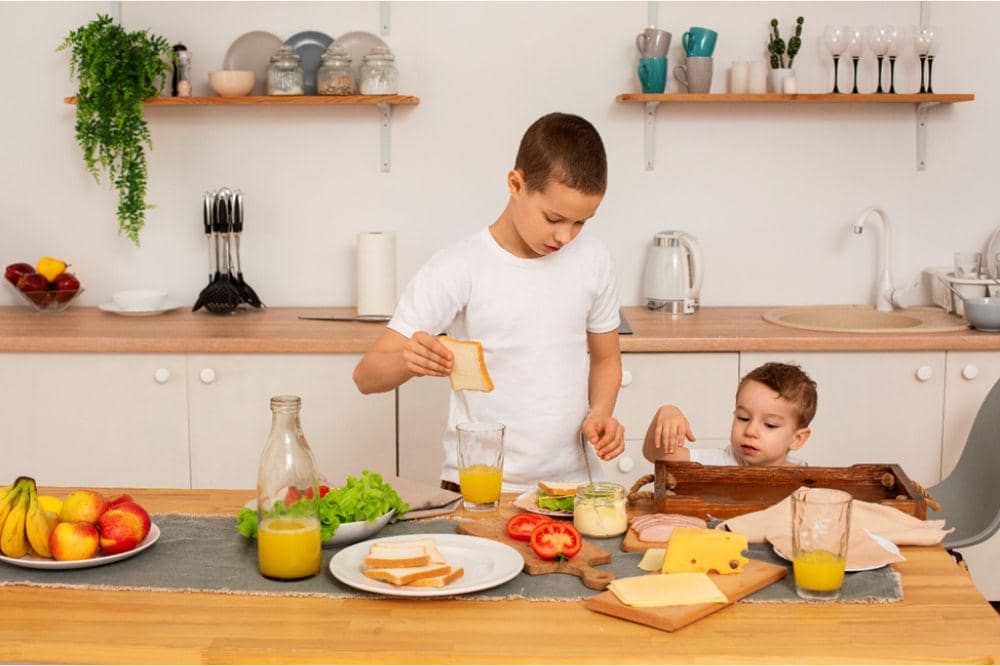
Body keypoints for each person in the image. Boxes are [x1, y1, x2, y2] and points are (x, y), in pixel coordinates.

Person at [353, 112, 625, 491]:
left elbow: (606, 358)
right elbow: (366, 376)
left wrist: (601, 413)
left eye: (580, 222)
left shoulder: (594, 260)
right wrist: (409, 361)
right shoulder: (459, 267)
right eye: (554, 218)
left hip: (572, 487)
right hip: (478, 487)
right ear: (516, 184)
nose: (565, 237)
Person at [642, 362, 817, 467]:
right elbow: (654, 454)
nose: (750, 431)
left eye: (770, 425)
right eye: (743, 418)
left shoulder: (804, 479)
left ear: (797, 439)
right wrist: (667, 412)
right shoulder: (715, 462)